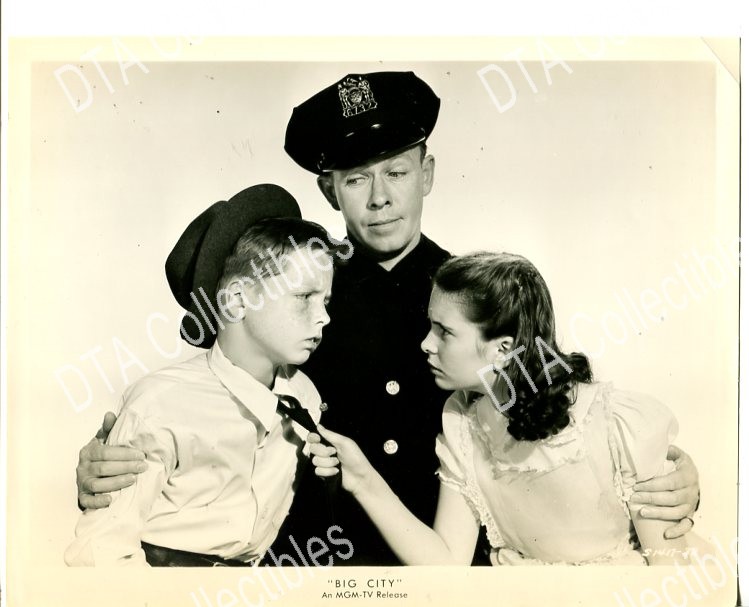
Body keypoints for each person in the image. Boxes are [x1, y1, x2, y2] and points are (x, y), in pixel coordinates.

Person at [73, 71, 701, 566]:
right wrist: (106, 465)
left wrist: (669, 479)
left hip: (448, 571)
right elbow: (204, 404)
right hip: (310, 570)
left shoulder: (478, 299)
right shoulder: (292, 292)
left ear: (427, 174)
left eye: (397, 172)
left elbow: (563, 427)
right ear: (329, 191)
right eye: (356, 180)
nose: (379, 199)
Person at [308, 251, 693, 566]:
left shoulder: (617, 423)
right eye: (430, 327)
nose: (426, 344)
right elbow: (446, 564)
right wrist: (363, 480)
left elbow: (670, 572)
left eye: (445, 332)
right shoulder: (462, 422)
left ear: (503, 349)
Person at [65, 184, 344, 566]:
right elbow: (99, 552)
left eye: (325, 301)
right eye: (304, 297)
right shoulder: (160, 403)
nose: (324, 316)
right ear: (237, 300)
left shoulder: (305, 397)